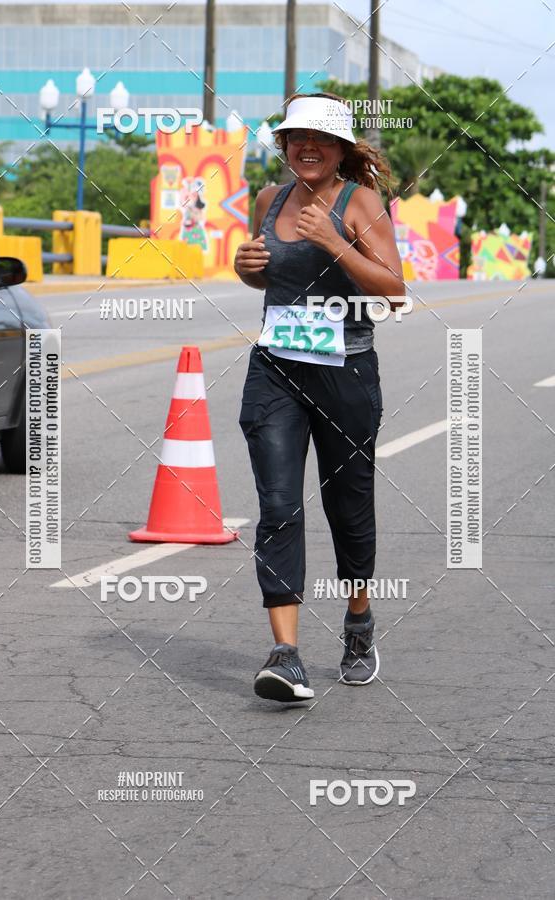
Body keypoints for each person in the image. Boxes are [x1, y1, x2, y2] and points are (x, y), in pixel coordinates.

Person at [234, 92, 405, 703]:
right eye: (294, 138)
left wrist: (335, 243)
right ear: (282, 146)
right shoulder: (267, 200)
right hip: (275, 370)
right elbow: (267, 275)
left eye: (320, 139)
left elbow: (395, 290)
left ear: (340, 151)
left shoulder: (360, 202)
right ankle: (286, 655)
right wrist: (247, 265)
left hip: (346, 374)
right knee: (279, 504)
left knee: (348, 508)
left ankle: (358, 622)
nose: (306, 147)